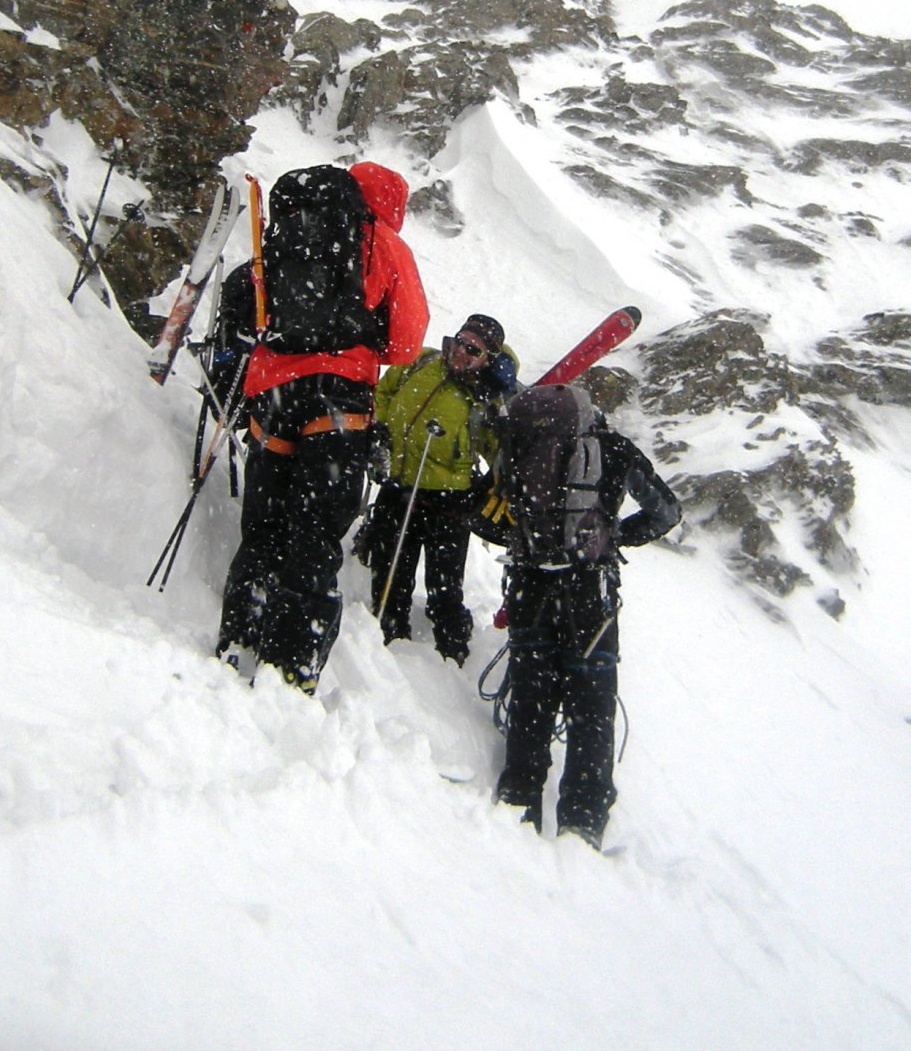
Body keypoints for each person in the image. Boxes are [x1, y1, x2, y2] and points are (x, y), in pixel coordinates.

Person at [214, 161, 428, 693]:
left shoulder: (289, 229)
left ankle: (239, 636)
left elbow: (253, 304)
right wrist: (360, 335)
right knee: (314, 536)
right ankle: (291, 667)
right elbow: (405, 343)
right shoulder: (384, 245)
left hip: (273, 395)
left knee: (264, 526)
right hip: (339, 402)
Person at [479, 383, 680, 848]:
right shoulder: (612, 447)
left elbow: (488, 513)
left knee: (531, 702)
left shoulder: (522, 443)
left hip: (531, 586)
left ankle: (517, 807)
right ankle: (582, 824)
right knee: (591, 713)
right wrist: (614, 537)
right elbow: (666, 510)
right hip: (590, 595)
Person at [357, 312, 519, 664]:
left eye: (472, 350)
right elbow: (384, 391)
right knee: (389, 573)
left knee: (444, 588)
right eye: (460, 341)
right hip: (398, 488)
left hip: (449, 503)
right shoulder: (421, 360)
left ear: (487, 360)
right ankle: (386, 641)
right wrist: (380, 430)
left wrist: (502, 484)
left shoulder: (484, 401)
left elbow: (499, 455)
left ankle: (452, 654)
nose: (460, 352)